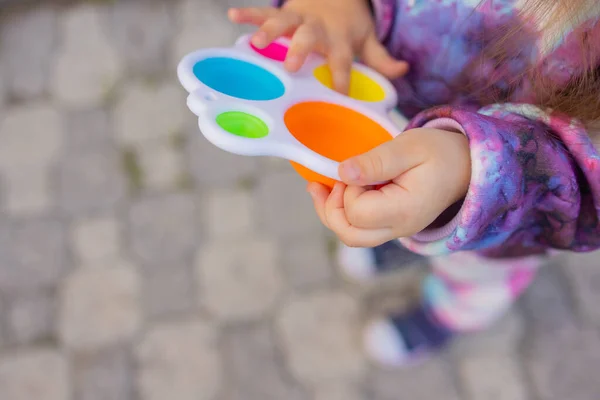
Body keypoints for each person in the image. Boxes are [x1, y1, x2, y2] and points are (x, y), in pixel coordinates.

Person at [229, 0, 600, 367]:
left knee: (474, 274)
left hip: (506, 211)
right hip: (397, 105)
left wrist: (477, 170)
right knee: (400, 204)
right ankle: (410, 238)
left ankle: (448, 314)